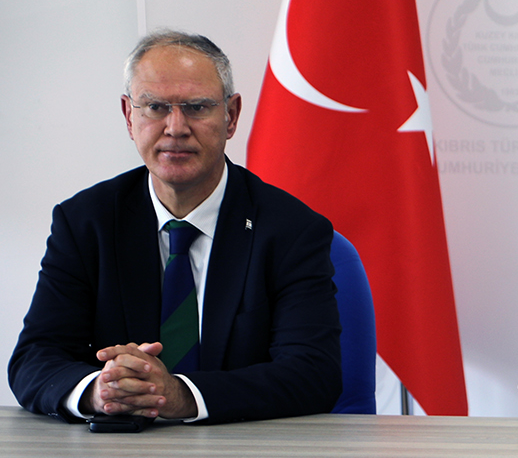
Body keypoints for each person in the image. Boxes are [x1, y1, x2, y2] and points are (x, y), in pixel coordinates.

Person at [9, 30, 340, 425]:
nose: (176, 127)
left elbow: (313, 373)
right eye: (155, 107)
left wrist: (182, 395)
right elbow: (34, 358)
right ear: (129, 116)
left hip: (246, 451)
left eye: (197, 107)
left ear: (231, 116)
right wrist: (99, 390)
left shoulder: (291, 230)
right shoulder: (85, 223)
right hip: (119, 452)